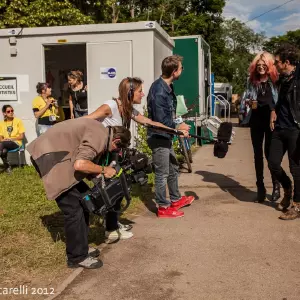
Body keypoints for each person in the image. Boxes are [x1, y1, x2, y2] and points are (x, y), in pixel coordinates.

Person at [86, 77, 186, 238]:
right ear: (130, 92)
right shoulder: (110, 106)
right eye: (140, 91)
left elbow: (149, 122)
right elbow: (85, 121)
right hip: (101, 155)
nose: (143, 94)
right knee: (110, 188)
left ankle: (111, 223)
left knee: (118, 187)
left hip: (114, 153)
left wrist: (175, 130)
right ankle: (110, 230)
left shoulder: (128, 110)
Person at [27, 118, 131, 269]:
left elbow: (80, 157)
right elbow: (80, 164)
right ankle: (76, 257)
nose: (114, 151)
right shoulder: (99, 137)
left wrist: (94, 174)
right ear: (115, 140)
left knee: (85, 201)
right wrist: (104, 170)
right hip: (49, 156)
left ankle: (81, 248)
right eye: (116, 148)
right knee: (74, 209)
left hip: (55, 154)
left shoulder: (100, 131)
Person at [147, 55, 194, 218]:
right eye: (181, 68)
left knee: (173, 168)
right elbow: (161, 121)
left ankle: (175, 199)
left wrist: (179, 126)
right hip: (158, 136)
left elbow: (170, 115)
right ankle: (163, 207)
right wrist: (178, 127)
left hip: (166, 136)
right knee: (162, 173)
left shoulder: (167, 87)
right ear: (174, 71)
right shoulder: (159, 91)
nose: (182, 70)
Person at [239, 52, 280, 202]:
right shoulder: (251, 81)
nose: (261, 67)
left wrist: (275, 111)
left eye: (264, 65)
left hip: (271, 121)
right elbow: (245, 99)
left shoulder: (275, 81)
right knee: (257, 155)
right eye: (258, 65)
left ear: (269, 65)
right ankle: (260, 188)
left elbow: (279, 101)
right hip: (256, 120)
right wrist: (248, 102)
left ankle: (276, 186)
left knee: (270, 155)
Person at [268, 43, 300, 220]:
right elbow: (280, 101)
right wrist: (274, 111)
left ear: (287, 62)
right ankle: (287, 189)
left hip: (295, 129)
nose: (275, 65)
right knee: (273, 163)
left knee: (297, 169)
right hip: (280, 127)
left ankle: (297, 205)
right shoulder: (282, 80)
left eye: (277, 62)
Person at [0, 105, 25, 173]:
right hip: (5, 144)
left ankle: (7, 167)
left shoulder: (18, 121)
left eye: (12, 111)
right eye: (8, 111)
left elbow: (21, 136)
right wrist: (4, 140)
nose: (11, 112)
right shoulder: (2, 123)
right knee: (4, 150)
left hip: (16, 143)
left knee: (2, 144)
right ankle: (7, 167)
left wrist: (11, 139)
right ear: (4, 113)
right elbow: (1, 138)